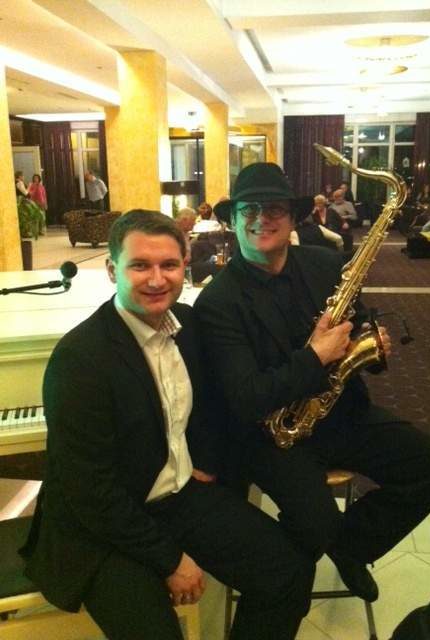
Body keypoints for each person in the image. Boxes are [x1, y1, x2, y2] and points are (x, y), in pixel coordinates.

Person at [21, 210, 314, 640]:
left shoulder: (186, 323)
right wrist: (171, 560)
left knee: (288, 573)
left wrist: (206, 461)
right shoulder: (80, 360)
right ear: (112, 270)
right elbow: (89, 490)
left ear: (184, 266)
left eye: (169, 265)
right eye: (140, 265)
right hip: (101, 526)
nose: (157, 280)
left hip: (175, 496)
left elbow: (210, 405)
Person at [195, 162, 430, 605]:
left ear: (292, 217)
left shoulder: (325, 264)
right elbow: (246, 398)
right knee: (316, 521)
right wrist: (316, 356)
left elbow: (358, 323)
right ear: (234, 219)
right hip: (273, 435)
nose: (261, 219)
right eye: (249, 210)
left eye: (274, 209)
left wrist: (372, 346)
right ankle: (290, 578)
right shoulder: (217, 301)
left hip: (342, 412)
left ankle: (350, 547)